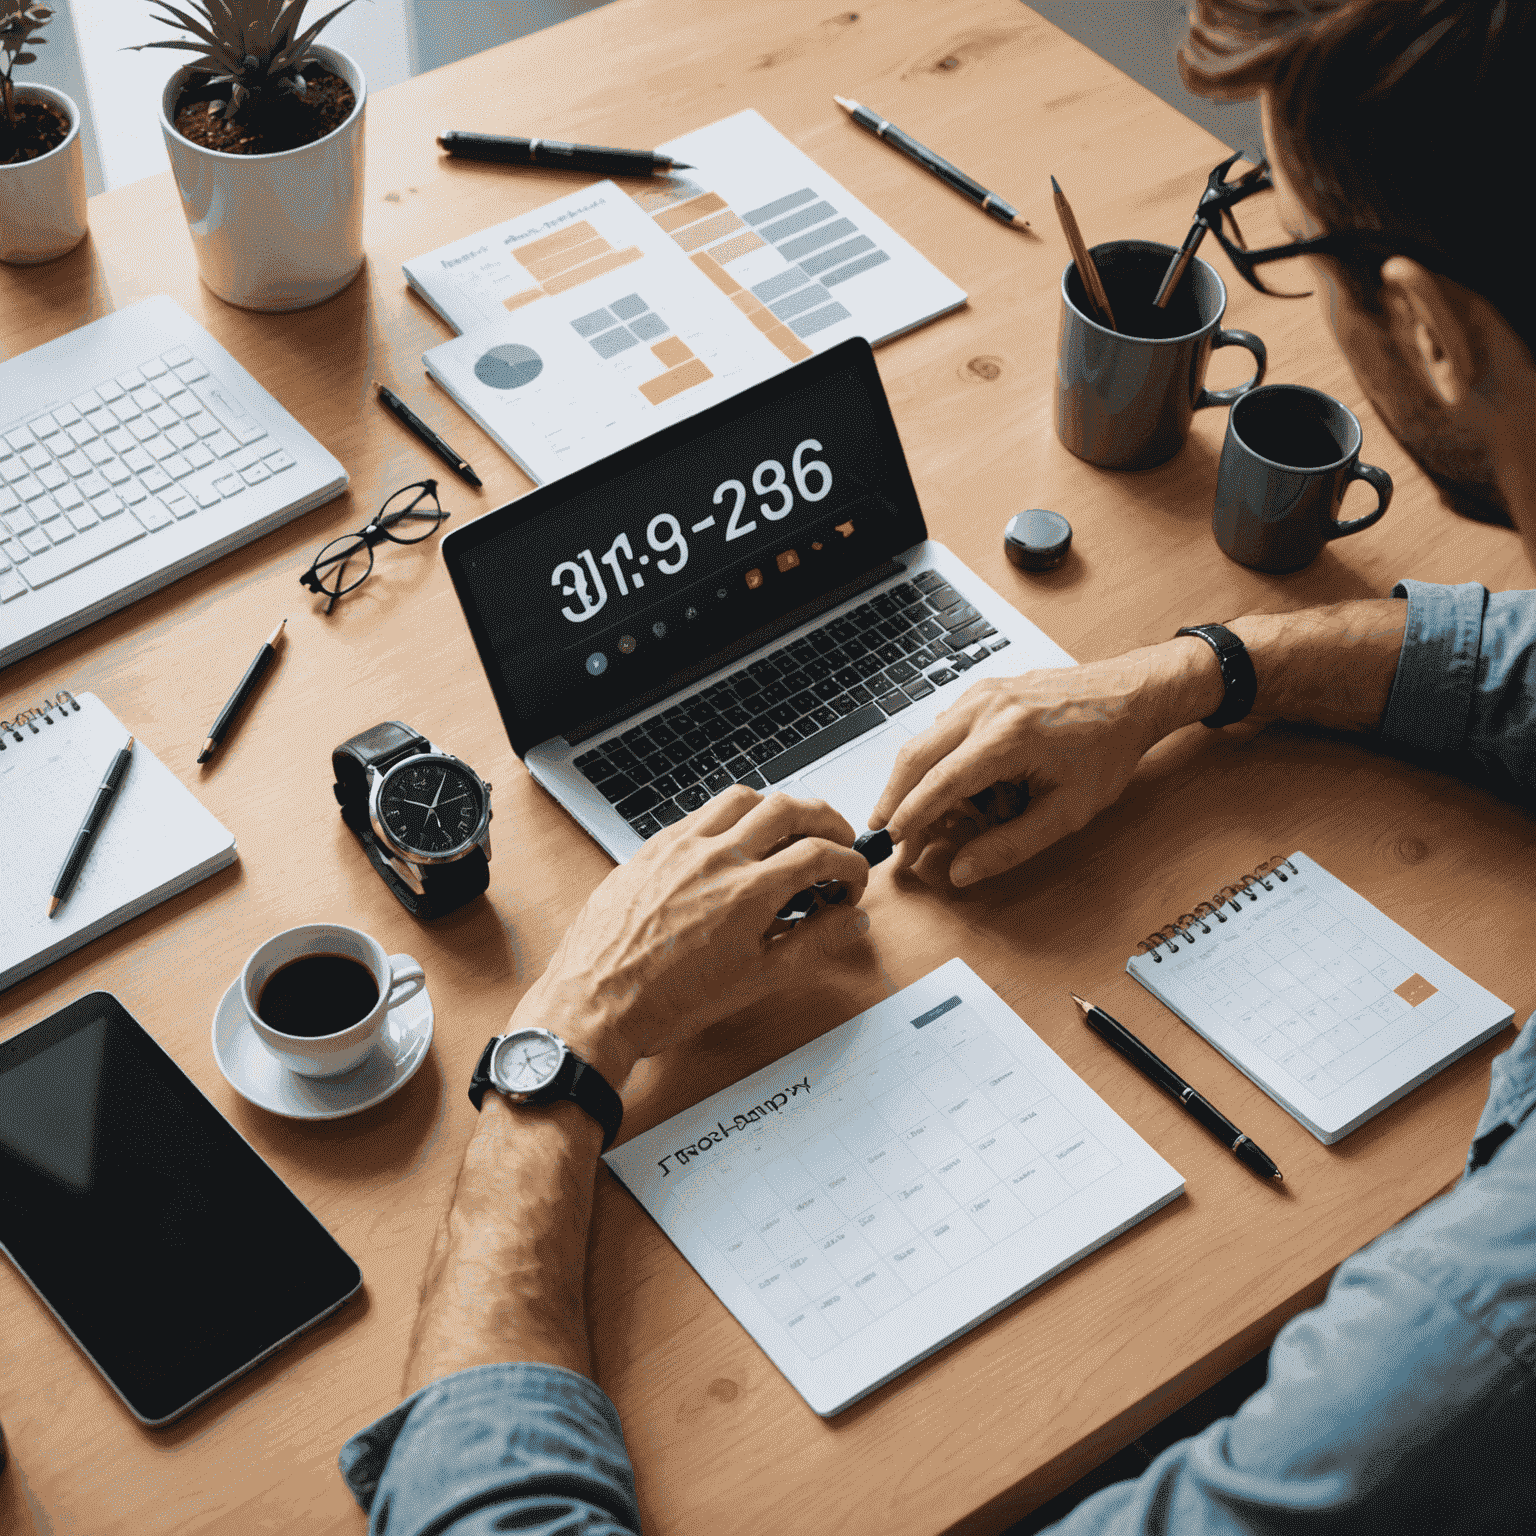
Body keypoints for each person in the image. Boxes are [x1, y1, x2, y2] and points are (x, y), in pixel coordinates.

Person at [338, 2, 1535, 1532]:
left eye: (1282, 248)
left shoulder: (1476, 1334)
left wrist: (557, 1058)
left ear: (1431, 330)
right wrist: (1192, 674)